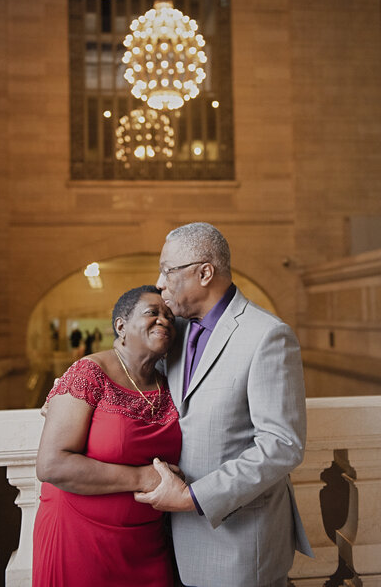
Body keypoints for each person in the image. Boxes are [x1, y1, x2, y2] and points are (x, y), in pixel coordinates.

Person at [135, 223, 313, 587]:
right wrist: (80, 383)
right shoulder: (176, 330)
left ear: (204, 273)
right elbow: (133, 368)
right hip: (169, 542)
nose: (160, 282)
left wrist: (192, 496)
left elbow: (282, 445)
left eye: (168, 271)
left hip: (240, 545)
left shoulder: (267, 335)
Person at [33, 286, 182, 587]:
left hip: (148, 541)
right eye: (152, 312)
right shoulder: (88, 373)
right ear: (121, 326)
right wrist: (143, 478)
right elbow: (51, 466)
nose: (164, 320)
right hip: (79, 538)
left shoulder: (171, 383)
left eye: (169, 316)